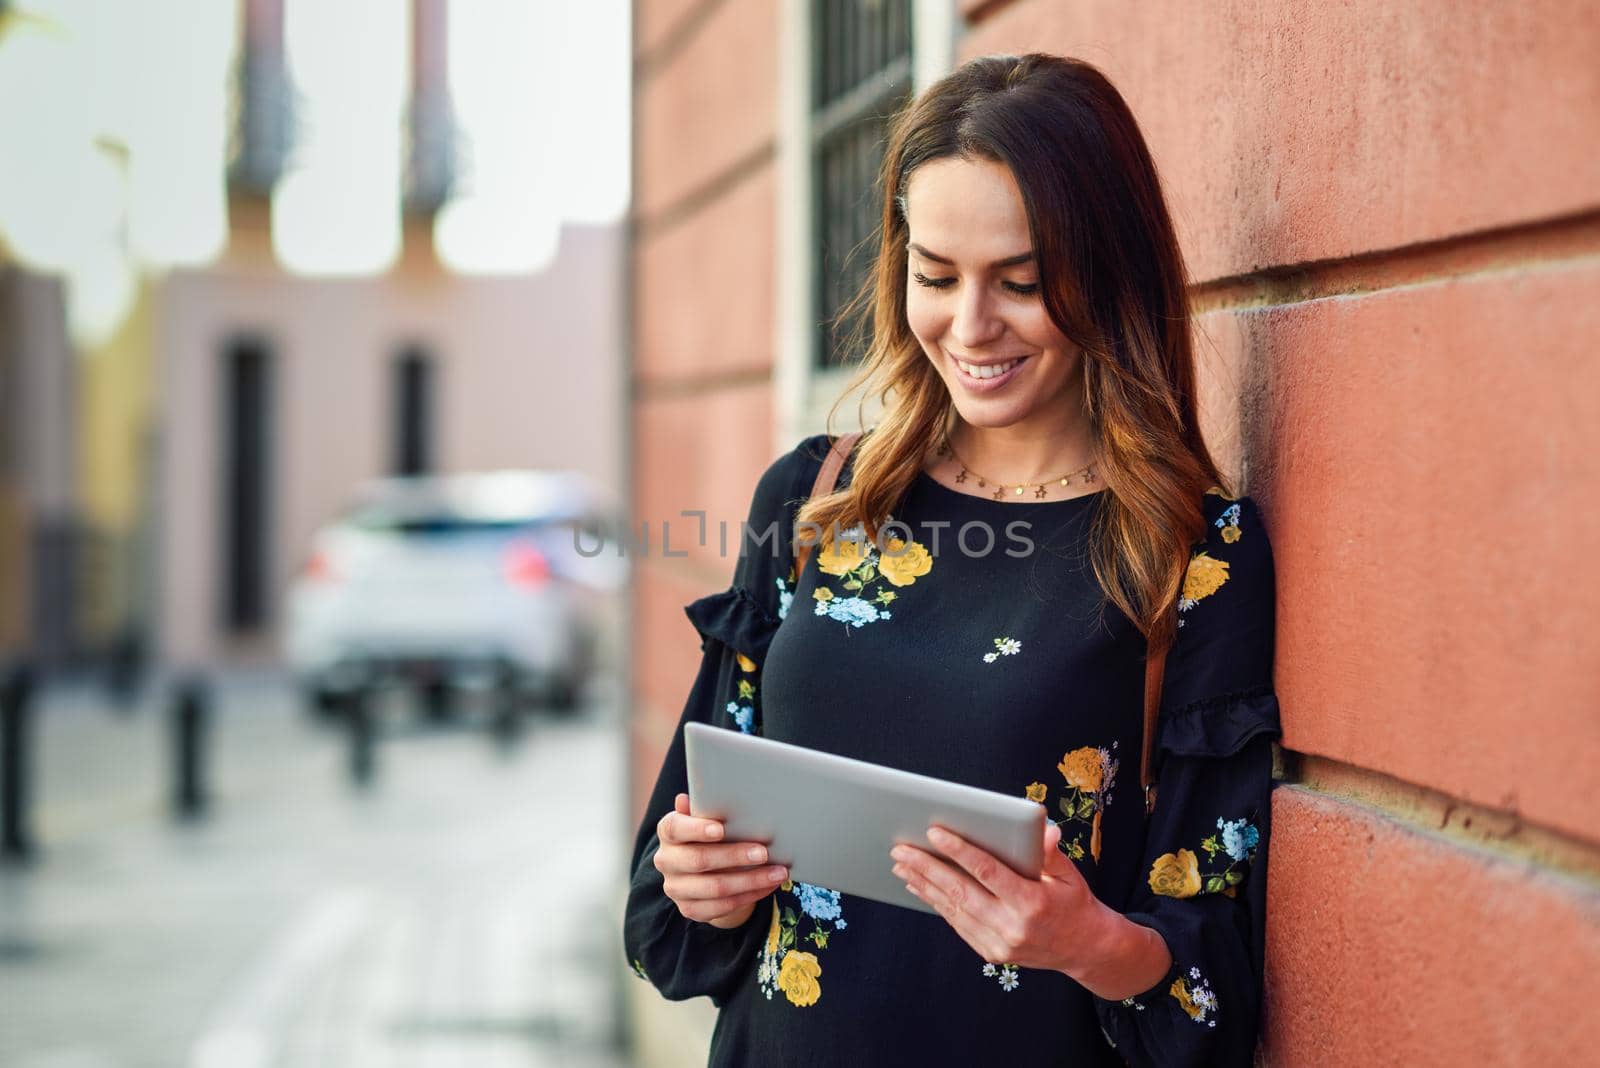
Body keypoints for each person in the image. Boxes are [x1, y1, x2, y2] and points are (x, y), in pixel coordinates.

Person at [623, 52, 1279, 1067]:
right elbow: (665, 930)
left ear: (1107, 277)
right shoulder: (811, 502)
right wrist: (699, 891)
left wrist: (1092, 944)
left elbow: (1212, 995)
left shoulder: (1194, 558)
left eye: (1020, 283)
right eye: (936, 276)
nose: (969, 327)